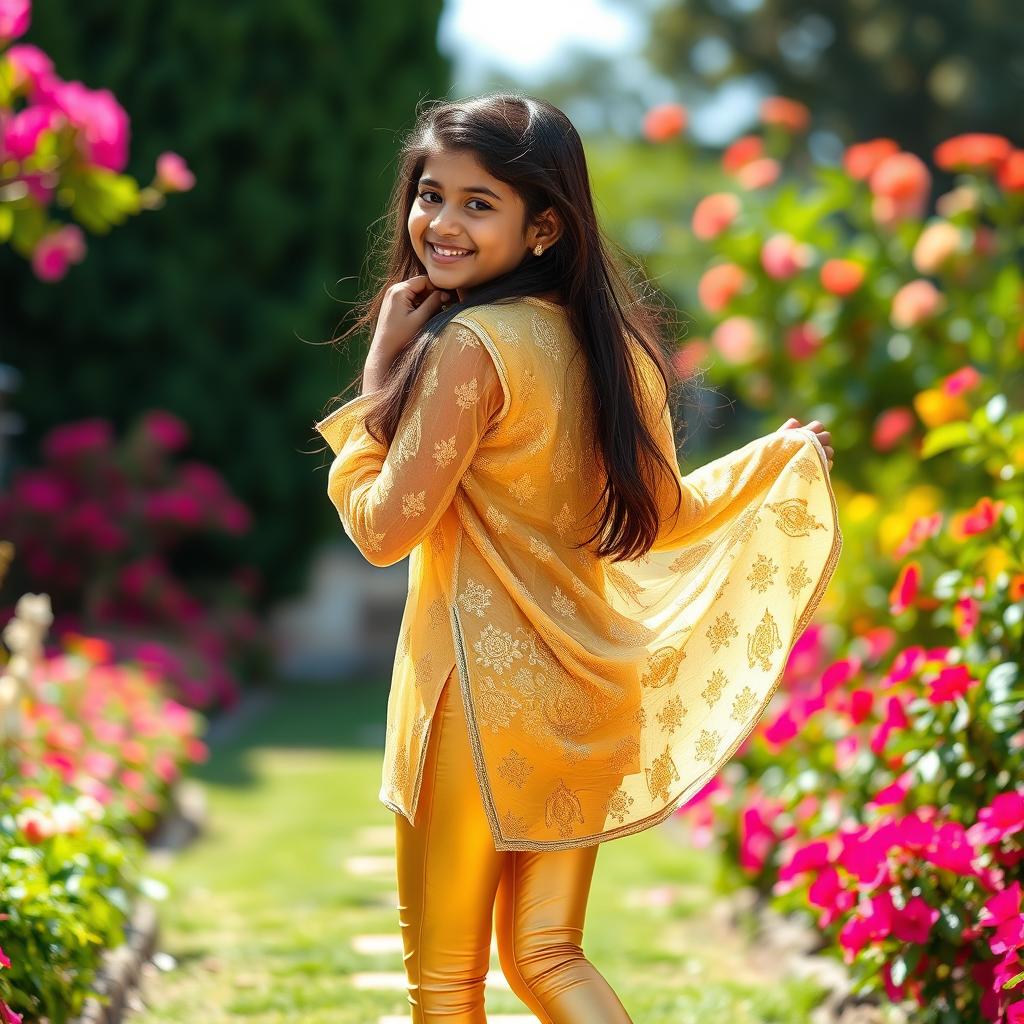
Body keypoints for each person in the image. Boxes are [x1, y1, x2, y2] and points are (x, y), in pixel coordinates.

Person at [313, 92, 841, 1023]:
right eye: (431, 194)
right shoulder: (615, 351)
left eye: (481, 204)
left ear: (545, 225)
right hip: (583, 695)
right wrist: (774, 459)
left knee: (446, 985)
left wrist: (371, 394)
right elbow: (665, 514)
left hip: (473, 704)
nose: (440, 222)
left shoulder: (469, 349)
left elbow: (383, 528)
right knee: (548, 957)